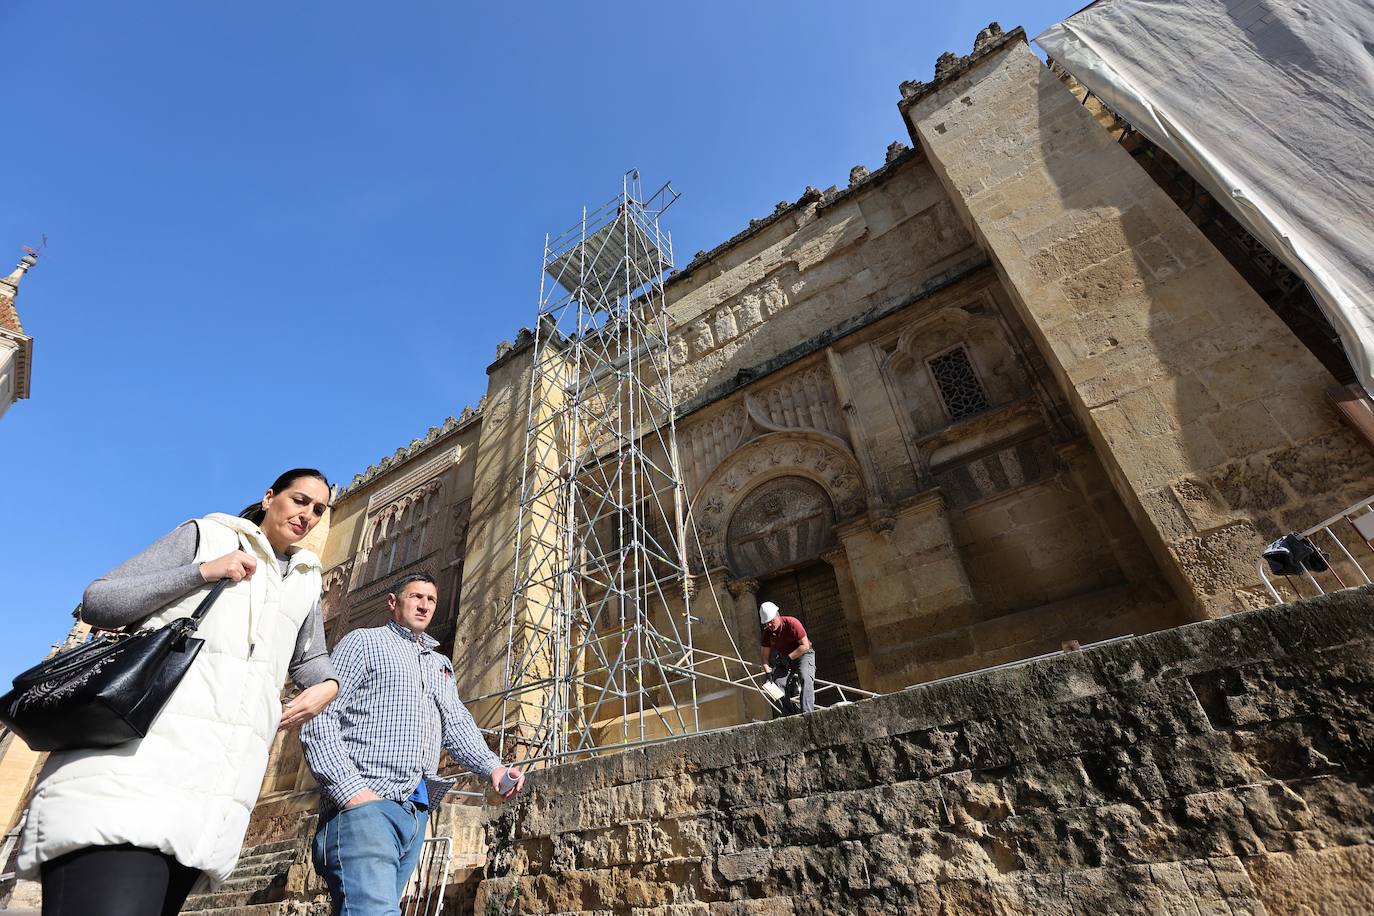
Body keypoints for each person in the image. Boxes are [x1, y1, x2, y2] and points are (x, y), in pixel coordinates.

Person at [17, 468, 341, 916]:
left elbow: (309, 657)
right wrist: (202, 572)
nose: (308, 515)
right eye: (299, 500)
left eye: (319, 510)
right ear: (270, 498)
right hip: (129, 773)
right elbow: (99, 601)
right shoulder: (207, 535)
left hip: (207, 798)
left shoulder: (306, 577)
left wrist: (330, 684)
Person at [301, 572, 525, 916]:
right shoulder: (363, 642)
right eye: (415, 596)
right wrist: (351, 793)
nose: (424, 605)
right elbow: (319, 714)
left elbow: (456, 723)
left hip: (414, 813)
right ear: (393, 602)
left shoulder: (440, 664)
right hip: (365, 805)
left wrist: (493, 767)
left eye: (431, 599)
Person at [759, 600, 816, 715]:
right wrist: (767, 671)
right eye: (766, 623)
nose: (769, 625)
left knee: (805, 677)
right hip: (785, 659)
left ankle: (807, 713)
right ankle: (788, 714)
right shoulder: (767, 633)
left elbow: (805, 645)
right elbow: (764, 656)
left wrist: (789, 658)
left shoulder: (792, 623)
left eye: (771, 621)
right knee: (776, 685)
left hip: (803, 655)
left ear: (778, 615)